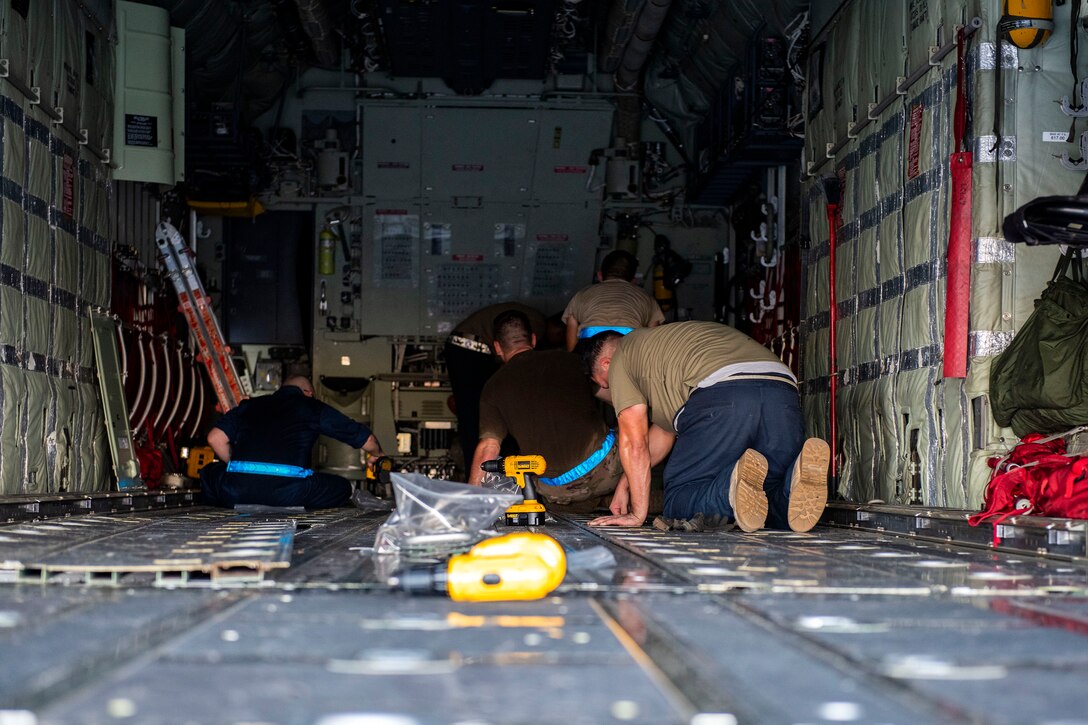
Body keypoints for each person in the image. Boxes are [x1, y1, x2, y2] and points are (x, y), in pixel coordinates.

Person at [578, 321, 829, 531]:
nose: (610, 390)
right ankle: (792, 485)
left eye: (604, 384)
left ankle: (729, 487)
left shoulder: (621, 359)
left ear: (605, 365)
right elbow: (663, 435)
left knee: (679, 499)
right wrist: (626, 484)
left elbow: (635, 442)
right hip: (782, 391)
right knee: (766, 490)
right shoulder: (666, 348)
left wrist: (637, 515)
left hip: (723, 393)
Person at [467, 310, 622, 511]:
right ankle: (628, 495)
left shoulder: (492, 387)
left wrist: (469, 501)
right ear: (533, 339)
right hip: (606, 471)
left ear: (497, 347)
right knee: (630, 424)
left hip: (555, 490)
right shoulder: (570, 361)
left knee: (544, 484)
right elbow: (620, 402)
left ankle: (598, 502)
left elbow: (488, 447)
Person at [200, 376, 385, 509]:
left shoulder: (250, 405)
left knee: (209, 472)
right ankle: (350, 492)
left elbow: (214, 438)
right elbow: (367, 439)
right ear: (308, 393)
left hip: (235, 492)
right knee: (341, 486)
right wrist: (376, 454)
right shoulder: (311, 406)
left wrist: (238, 468)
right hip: (290, 494)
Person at [445, 301, 547, 460]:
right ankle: (484, 469)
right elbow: (515, 367)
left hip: (464, 346)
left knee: (476, 416)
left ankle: (484, 468)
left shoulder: (533, 324)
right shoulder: (536, 329)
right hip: (469, 346)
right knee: (478, 418)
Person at [562, 249, 665, 352]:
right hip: (629, 344)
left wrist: (574, 362)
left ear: (599, 275)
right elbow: (654, 338)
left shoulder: (581, 295)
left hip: (590, 343)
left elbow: (572, 329)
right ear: (634, 281)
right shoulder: (646, 298)